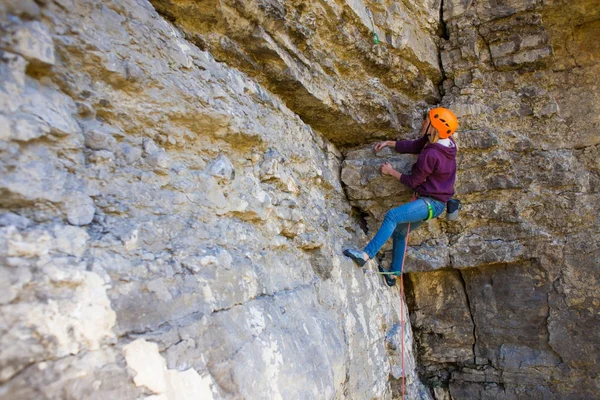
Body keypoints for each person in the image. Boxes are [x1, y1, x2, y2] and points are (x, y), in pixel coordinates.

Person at [344, 107, 459, 286]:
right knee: (399, 233)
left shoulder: (431, 154)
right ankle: (393, 274)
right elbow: (414, 146)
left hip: (431, 203)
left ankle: (365, 255)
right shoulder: (445, 142)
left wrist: (390, 172)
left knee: (393, 216)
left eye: (426, 121)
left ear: (434, 128)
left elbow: (413, 181)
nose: (422, 123)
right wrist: (389, 143)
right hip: (436, 203)